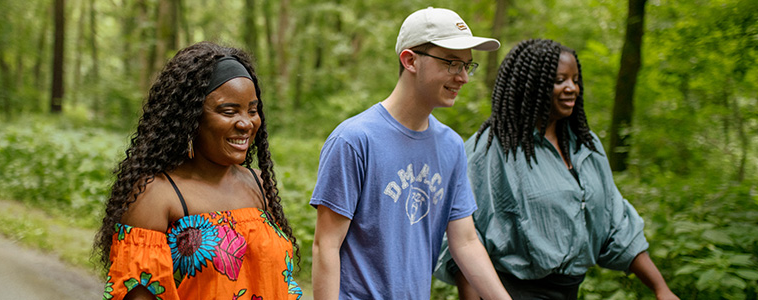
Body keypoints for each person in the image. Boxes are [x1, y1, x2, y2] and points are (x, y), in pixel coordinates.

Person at [433, 38, 678, 300]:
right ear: (532, 86)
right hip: (508, 291)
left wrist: (661, 288)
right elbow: (465, 239)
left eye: (575, 80)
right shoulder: (493, 148)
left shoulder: (586, 145)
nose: (572, 88)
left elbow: (615, 221)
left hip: (569, 290)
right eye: (560, 80)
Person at [310, 7, 512, 300]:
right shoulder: (354, 140)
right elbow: (325, 245)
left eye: (468, 65)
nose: (464, 77)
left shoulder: (451, 146)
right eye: (453, 64)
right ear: (410, 60)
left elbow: (465, 242)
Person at [93, 42, 302, 300]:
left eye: (252, 110)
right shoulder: (156, 195)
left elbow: (283, 282)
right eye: (229, 111)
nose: (246, 123)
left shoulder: (259, 185)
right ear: (191, 118)